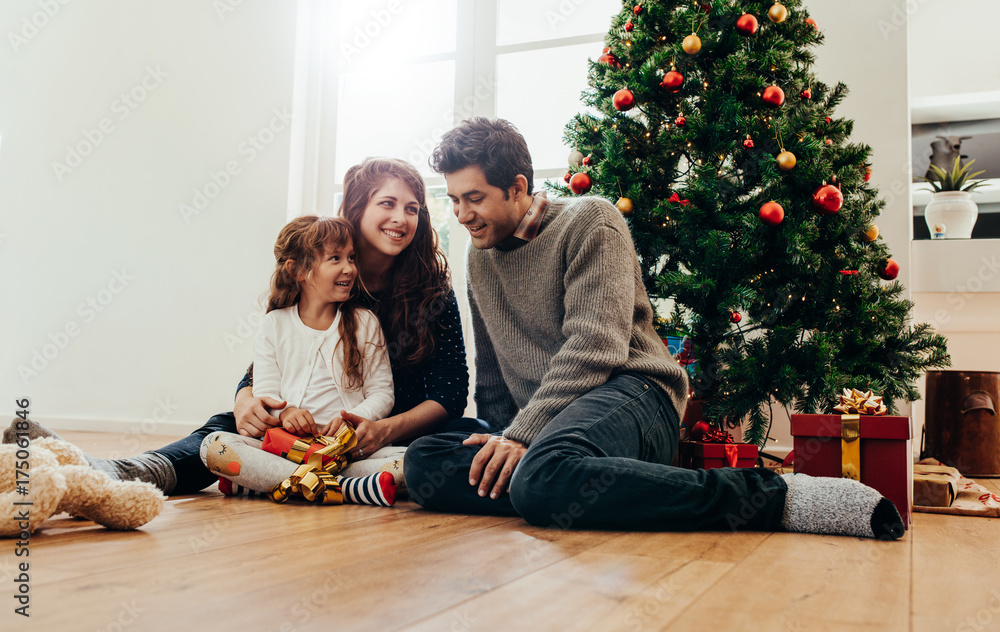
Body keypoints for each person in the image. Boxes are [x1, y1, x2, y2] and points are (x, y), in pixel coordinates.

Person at [402, 117, 905, 539]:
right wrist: (501, 440)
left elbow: (596, 347)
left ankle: (775, 496)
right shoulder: (480, 256)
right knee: (425, 462)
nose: (463, 215)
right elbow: (492, 371)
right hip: (551, 428)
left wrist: (522, 438)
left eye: (474, 198)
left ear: (517, 187)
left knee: (542, 475)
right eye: (454, 200)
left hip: (634, 393)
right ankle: (567, 485)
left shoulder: (590, 221)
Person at [5, 158, 471, 496]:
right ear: (355, 210)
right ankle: (126, 471)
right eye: (387, 204)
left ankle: (328, 481)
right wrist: (248, 400)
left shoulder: (432, 292)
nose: (402, 218)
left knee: (466, 431)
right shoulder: (321, 283)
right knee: (227, 427)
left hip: (387, 433)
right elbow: (270, 360)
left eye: (413, 208)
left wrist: (384, 428)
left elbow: (450, 392)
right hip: (300, 427)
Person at [198, 215, 397, 506]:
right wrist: (286, 413)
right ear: (298, 270)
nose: (349, 268)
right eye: (335, 258)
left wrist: (351, 423)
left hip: (344, 450)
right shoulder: (274, 324)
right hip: (287, 447)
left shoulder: (365, 322)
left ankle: (272, 483)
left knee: (409, 460)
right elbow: (265, 391)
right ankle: (349, 489)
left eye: (351, 258)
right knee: (214, 447)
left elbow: (382, 392)